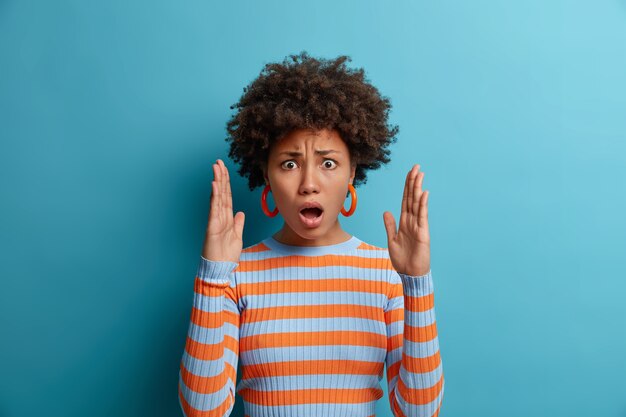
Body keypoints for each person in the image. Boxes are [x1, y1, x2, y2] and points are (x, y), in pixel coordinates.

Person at [178, 51, 444, 417]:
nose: (308, 184)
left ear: (352, 172)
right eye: (289, 164)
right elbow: (202, 411)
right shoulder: (234, 274)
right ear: (267, 175)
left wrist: (416, 284)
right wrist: (212, 278)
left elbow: (419, 411)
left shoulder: (388, 274)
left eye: (328, 163)